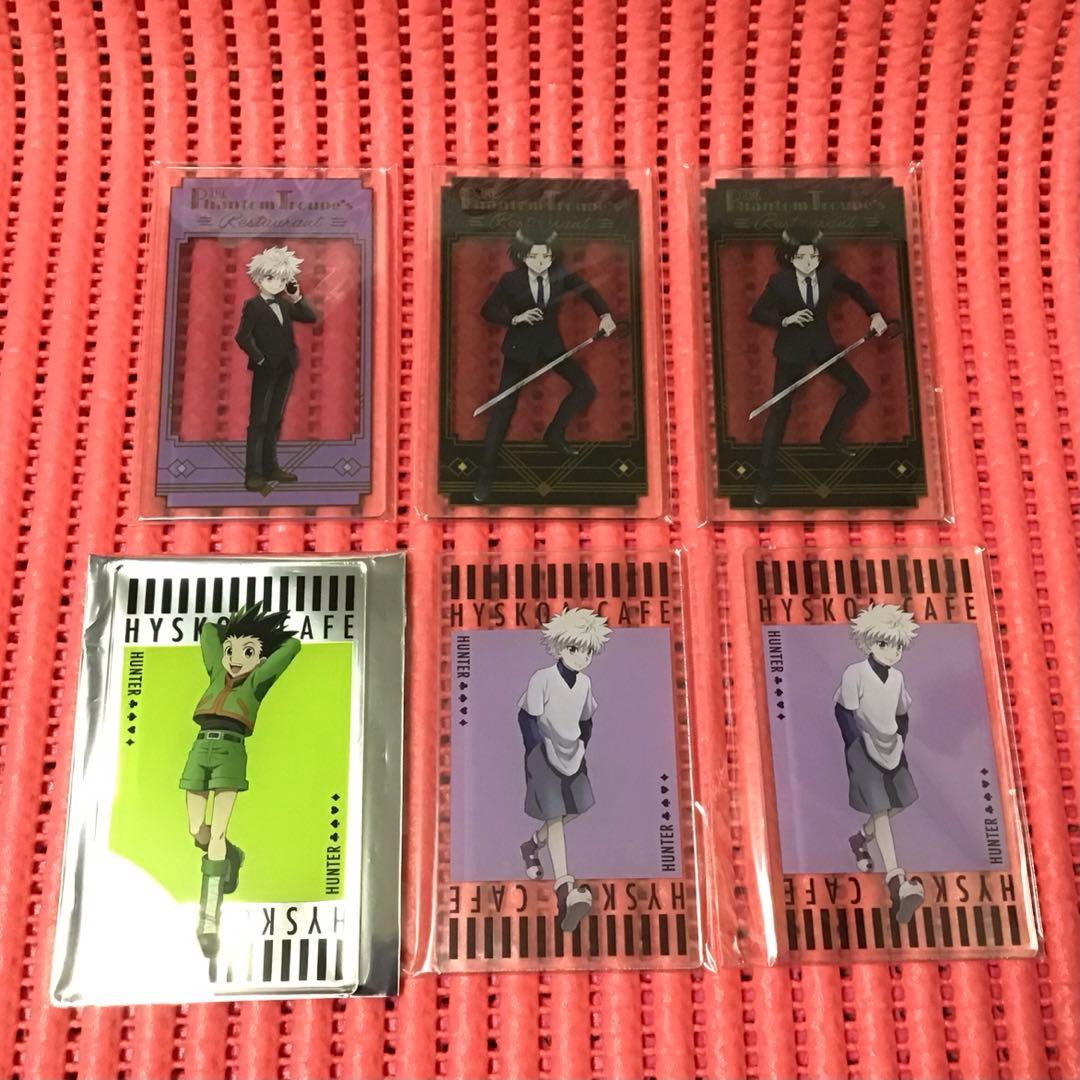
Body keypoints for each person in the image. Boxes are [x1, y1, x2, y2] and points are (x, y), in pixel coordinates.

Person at [179, 602, 301, 957]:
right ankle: (230, 855)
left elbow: (292, 646)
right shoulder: (217, 672)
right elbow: (207, 632)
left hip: (231, 751)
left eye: (247, 652)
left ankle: (208, 922)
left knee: (216, 835)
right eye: (231, 650)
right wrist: (227, 630)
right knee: (196, 830)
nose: (235, 658)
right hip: (200, 747)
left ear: (261, 660)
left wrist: (261, 647)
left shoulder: (258, 682)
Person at [473, 227, 617, 503]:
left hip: (552, 347)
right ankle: (485, 475)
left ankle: (554, 433)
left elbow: (588, 291)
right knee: (504, 409)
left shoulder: (560, 275)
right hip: (520, 349)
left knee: (585, 388)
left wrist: (605, 315)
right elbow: (487, 310)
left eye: (546, 257)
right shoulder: (510, 280)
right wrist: (515, 319)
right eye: (535, 257)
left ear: (552, 257)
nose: (541, 262)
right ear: (524, 257)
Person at [749, 224, 888, 506]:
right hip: (791, 351)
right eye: (801, 257)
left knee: (859, 390)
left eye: (813, 256)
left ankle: (829, 437)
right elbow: (757, 312)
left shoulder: (829, 276)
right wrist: (785, 320)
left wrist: (875, 313)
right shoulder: (779, 282)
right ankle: (764, 479)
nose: (808, 262)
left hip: (824, 347)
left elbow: (855, 289)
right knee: (779, 411)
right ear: (790, 258)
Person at [517, 607, 611, 933]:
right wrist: (536, 750)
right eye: (574, 648)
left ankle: (532, 845)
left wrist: (582, 743)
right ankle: (565, 889)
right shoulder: (542, 679)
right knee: (555, 815)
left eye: (587, 651)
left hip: (572, 753)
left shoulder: (584, 683)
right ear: (559, 646)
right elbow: (527, 717)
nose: (581, 656)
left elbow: (587, 719)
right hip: (543, 753)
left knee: (576, 808)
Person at [833, 603, 923, 924]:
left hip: (891, 747)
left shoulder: (897, 678)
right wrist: (855, 745)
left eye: (897, 646)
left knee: (899, 801)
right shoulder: (854, 674)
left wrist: (899, 739)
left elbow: (902, 713)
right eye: (884, 643)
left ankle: (860, 838)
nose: (891, 651)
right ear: (869, 642)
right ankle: (896, 880)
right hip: (863, 747)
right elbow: (844, 711)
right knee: (881, 807)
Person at [234, 246, 317, 492]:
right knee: (258, 421)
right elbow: (242, 337)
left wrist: (296, 296)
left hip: (285, 366)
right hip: (265, 368)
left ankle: (271, 467)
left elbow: (310, 317)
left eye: (282, 279)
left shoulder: (284, 303)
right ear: (259, 279)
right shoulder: (253, 305)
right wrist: (259, 359)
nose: (276, 283)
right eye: (271, 278)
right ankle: (253, 473)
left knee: (273, 419)